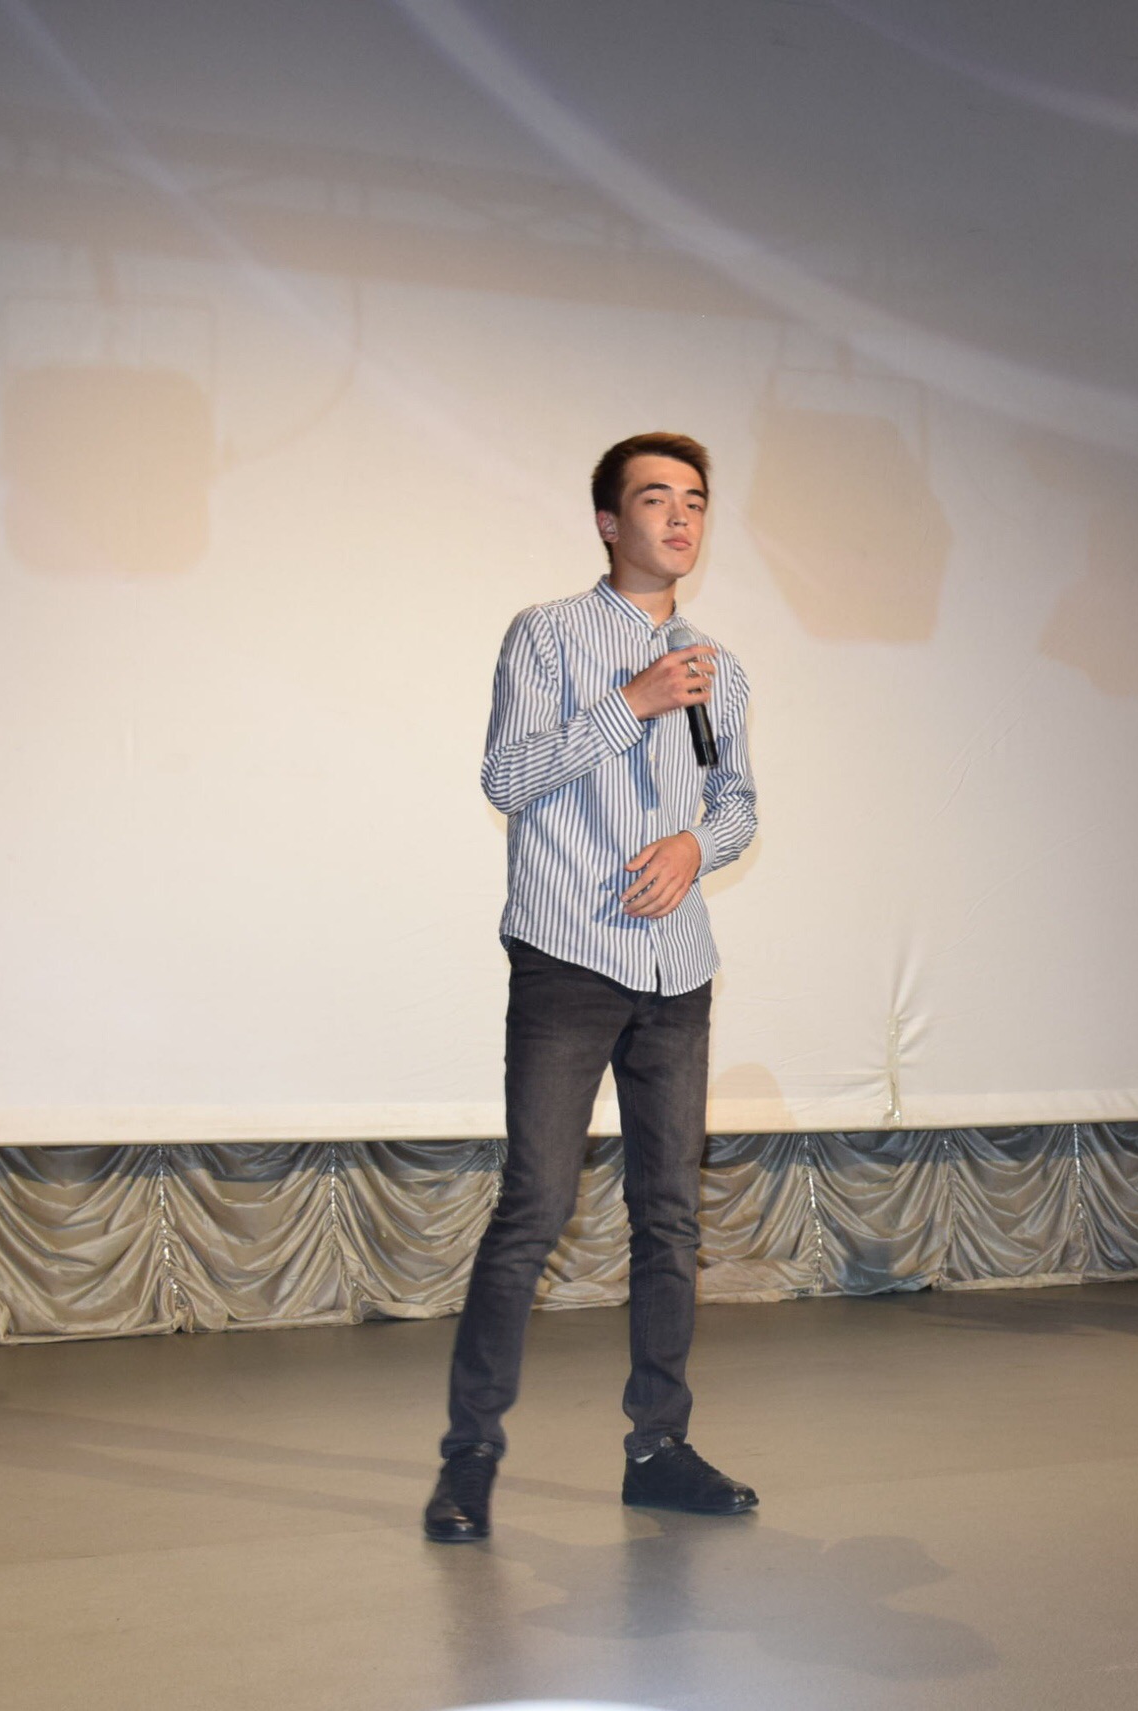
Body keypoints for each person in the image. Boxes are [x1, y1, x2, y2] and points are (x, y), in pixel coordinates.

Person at [425, 433, 761, 1541]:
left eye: (695, 500)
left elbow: (737, 803)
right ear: (610, 524)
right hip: (568, 957)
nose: (680, 516)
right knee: (535, 1203)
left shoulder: (720, 664)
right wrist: (632, 700)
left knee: (668, 1215)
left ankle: (658, 1446)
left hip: (678, 968)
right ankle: (469, 1459)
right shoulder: (548, 635)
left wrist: (697, 848)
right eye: (656, 498)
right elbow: (506, 774)